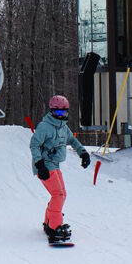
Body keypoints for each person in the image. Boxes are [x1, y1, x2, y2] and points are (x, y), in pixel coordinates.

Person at [30, 95, 90, 243]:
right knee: (58, 195)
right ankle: (54, 227)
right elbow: (34, 145)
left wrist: (83, 152)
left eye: (64, 112)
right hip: (45, 165)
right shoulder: (45, 126)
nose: (61, 115)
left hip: (55, 165)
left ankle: (49, 223)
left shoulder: (63, 127)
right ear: (52, 111)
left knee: (61, 194)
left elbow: (72, 140)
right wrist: (39, 164)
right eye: (58, 112)